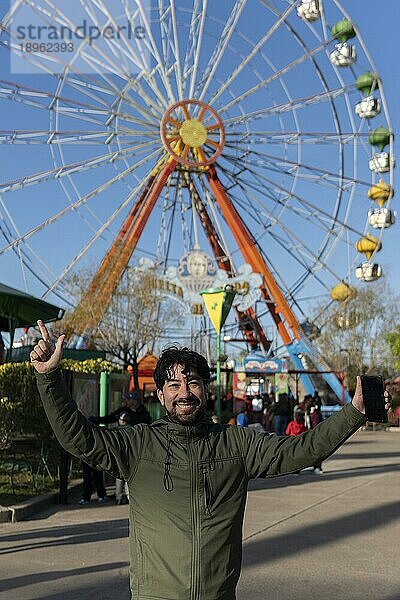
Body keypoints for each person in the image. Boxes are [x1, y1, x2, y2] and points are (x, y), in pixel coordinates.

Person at [31, 320, 390, 600]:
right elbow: (79, 437)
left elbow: (299, 452)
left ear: (207, 388)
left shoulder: (236, 444)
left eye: (192, 384)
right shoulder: (139, 445)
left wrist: (355, 411)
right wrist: (49, 379)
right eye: (173, 386)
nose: (184, 393)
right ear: (160, 394)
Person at [79, 417, 108, 505]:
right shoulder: (88, 434)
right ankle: (97, 495)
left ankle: (96, 495)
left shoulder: (97, 434)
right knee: (90, 477)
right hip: (91, 458)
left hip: (93, 458)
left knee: (94, 477)